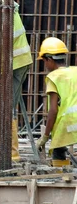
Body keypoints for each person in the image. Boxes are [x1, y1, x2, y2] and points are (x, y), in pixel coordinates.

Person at [36, 37, 77, 166]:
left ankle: (62, 176)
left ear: (49, 59)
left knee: (58, 150)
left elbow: (53, 111)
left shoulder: (53, 77)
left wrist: (46, 136)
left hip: (67, 123)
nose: (45, 65)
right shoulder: (75, 71)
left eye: (44, 61)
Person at [11, 3, 33, 161]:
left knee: (6, 106)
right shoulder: (6, 6)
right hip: (18, 61)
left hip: (16, 63)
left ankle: (12, 153)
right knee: (7, 105)